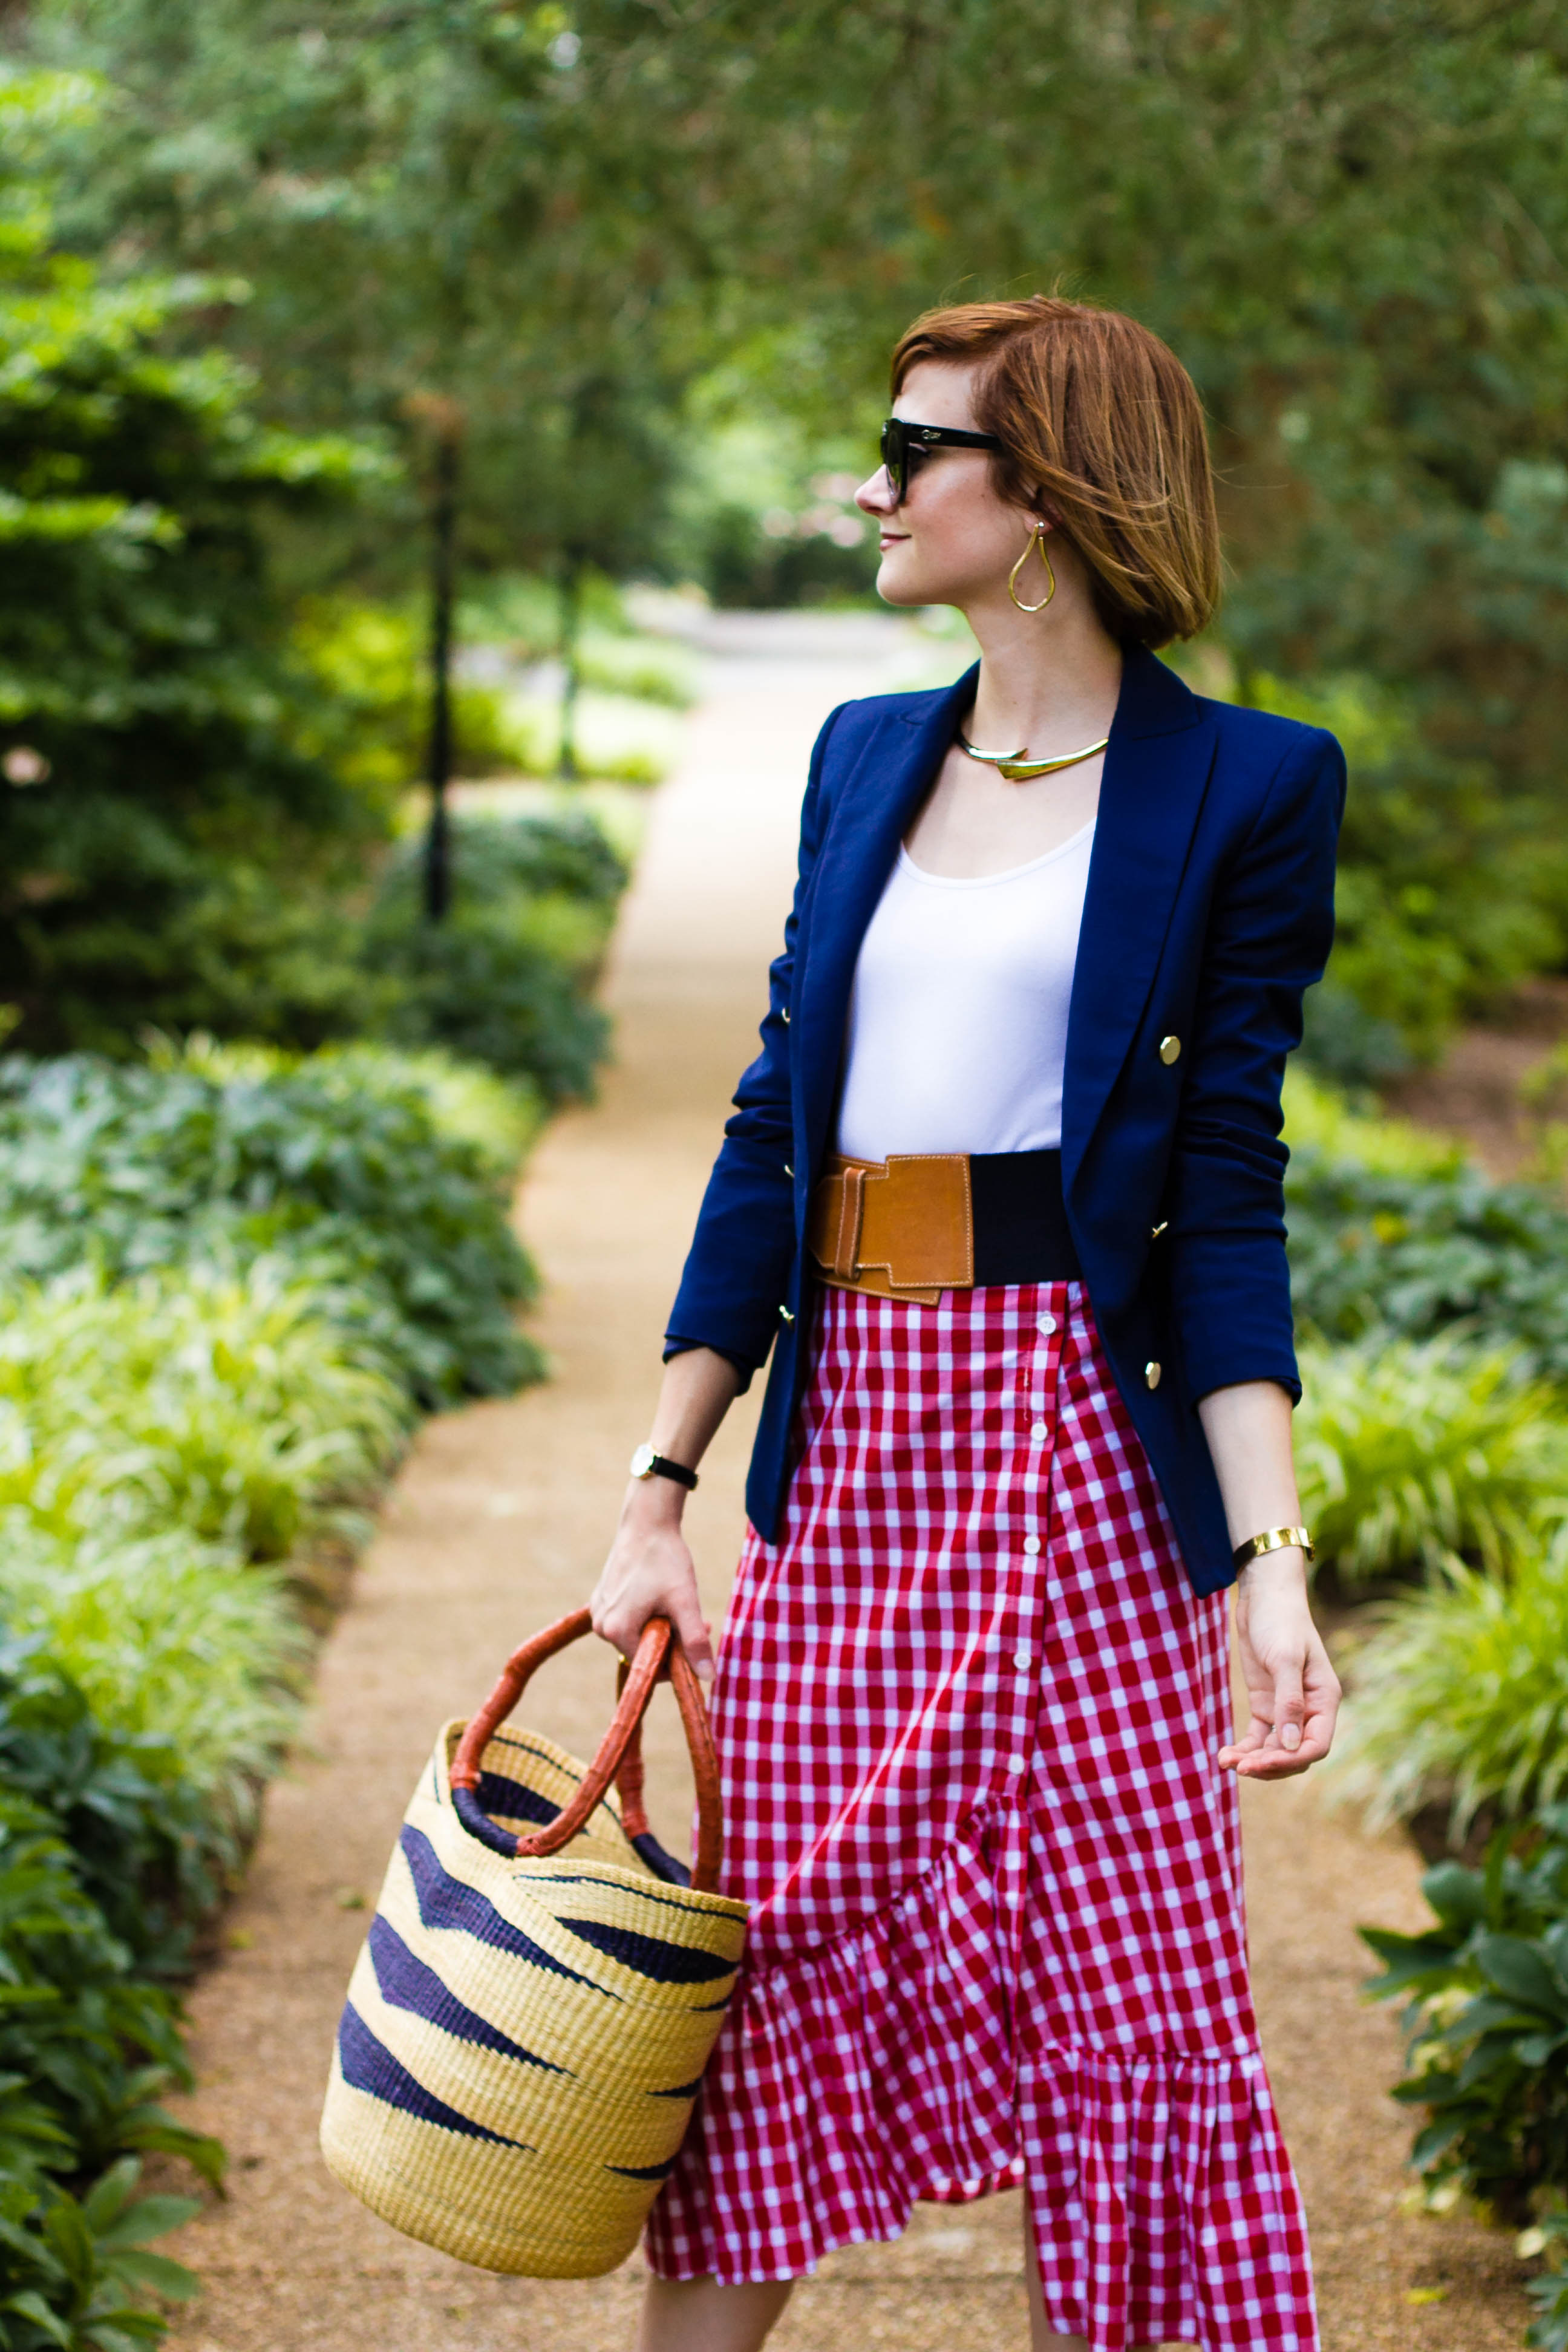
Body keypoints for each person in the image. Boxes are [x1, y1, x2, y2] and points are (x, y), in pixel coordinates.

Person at [591, 293, 1345, 2352]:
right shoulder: (861, 758)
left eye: (918, 448)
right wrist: (662, 1484)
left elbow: (1224, 1207)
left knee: (1135, 1992)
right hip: (861, 1446)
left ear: (1052, 495)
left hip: (1085, 1451)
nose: (874, 481)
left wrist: (1267, 1566)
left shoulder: (1250, 790)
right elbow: (771, 1133)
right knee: (789, 1955)